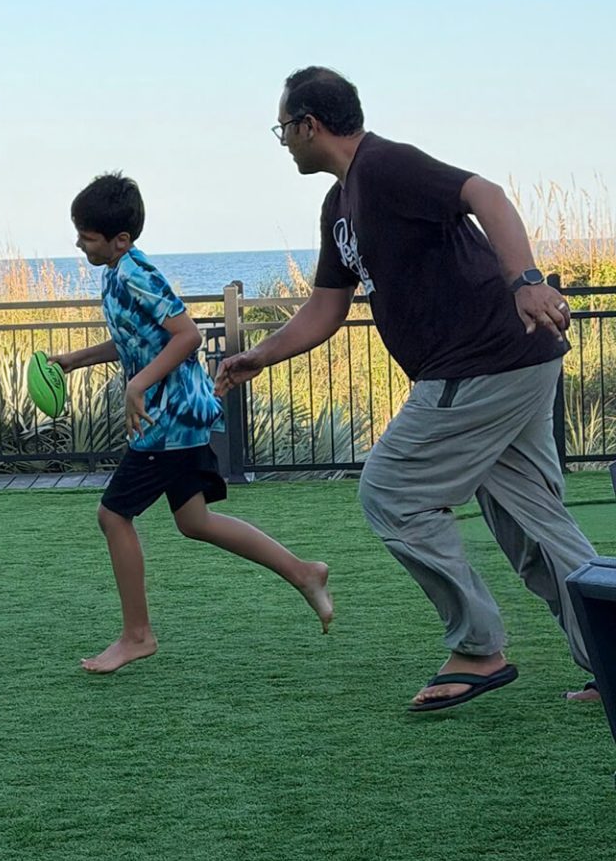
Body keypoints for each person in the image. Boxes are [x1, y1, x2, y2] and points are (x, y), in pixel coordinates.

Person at [214, 66, 600, 710]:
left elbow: (486, 194)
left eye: (284, 128)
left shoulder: (384, 167)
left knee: (391, 490)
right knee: (536, 528)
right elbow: (326, 306)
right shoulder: (340, 204)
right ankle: (612, 660)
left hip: (482, 363)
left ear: (311, 124)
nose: (282, 141)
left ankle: (478, 647)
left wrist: (527, 278)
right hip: (509, 361)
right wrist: (262, 354)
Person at [50, 172, 332, 673]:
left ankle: (137, 635)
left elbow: (187, 336)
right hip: (177, 419)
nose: (78, 242)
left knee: (113, 515)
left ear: (120, 239)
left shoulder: (137, 272)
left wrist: (138, 387)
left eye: (86, 236)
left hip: (169, 420)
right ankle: (304, 572)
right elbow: (139, 339)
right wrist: (77, 359)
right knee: (194, 521)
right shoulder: (115, 274)